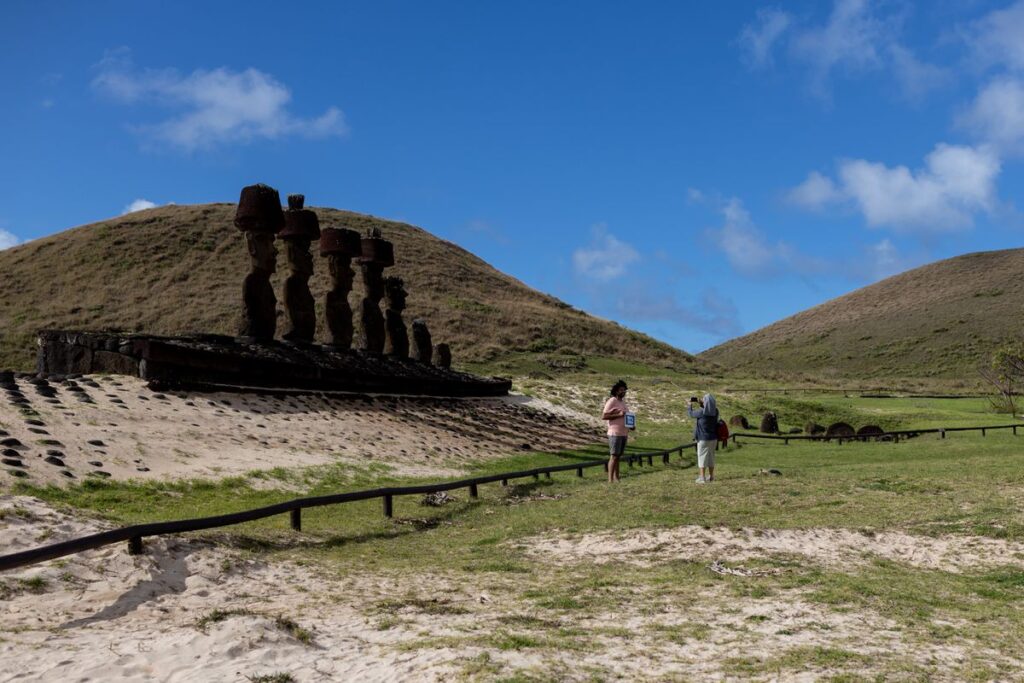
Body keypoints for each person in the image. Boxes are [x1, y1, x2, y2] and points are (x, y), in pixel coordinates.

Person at [602, 380, 630, 483]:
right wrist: (618, 415)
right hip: (615, 433)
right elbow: (604, 416)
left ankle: (617, 478)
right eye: (621, 390)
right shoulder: (612, 401)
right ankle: (610, 480)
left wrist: (631, 425)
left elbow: (626, 416)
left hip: (624, 433)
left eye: (624, 390)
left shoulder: (623, 403)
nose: (624, 392)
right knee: (613, 456)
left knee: (618, 456)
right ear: (616, 391)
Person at [687, 393, 719, 484]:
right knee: (711, 457)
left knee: (702, 457)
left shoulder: (701, 412)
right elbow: (709, 408)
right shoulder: (716, 411)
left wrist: (689, 405)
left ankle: (702, 478)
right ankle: (711, 476)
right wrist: (701, 403)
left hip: (703, 438)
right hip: (713, 438)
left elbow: (691, 414)